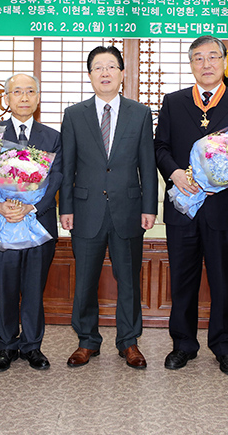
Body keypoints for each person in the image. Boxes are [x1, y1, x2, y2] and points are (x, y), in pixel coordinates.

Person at [155, 35, 228, 375]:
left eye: (213, 57)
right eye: (198, 58)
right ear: (191, 64)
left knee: (222, 279)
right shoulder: (173, 102)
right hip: (183, 205)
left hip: (221, 207)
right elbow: (160, 147)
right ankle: (183, 344)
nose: (206, 64)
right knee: (182, 279)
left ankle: (225, 346)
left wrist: (222, 179)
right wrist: (175, 173)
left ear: (225, 62)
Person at [59, 46, 157, 370]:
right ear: (89, 75)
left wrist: (149, 207)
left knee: (128, 280)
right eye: (98, 67)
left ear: (122, 74)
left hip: (128, 209)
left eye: (111, 66)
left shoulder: (140, 113)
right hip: (86, 210)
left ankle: (129, 341)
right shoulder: (74, 114)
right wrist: (65, 208)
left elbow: (147, 164)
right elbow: (67, 165)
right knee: (85, 281)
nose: (105, 73)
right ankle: (87, 340)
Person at [0, 74, 62, 372]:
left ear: (38, 98)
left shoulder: (52, 137)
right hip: (1, 223)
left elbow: (57, 177)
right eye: (17, 92)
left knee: (33, 289)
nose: (24, 97)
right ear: (7, 98)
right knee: (4, 288)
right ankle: (6, 346)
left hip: (38, 224)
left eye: (30, 91)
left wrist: (32, 206)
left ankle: (32, 346)